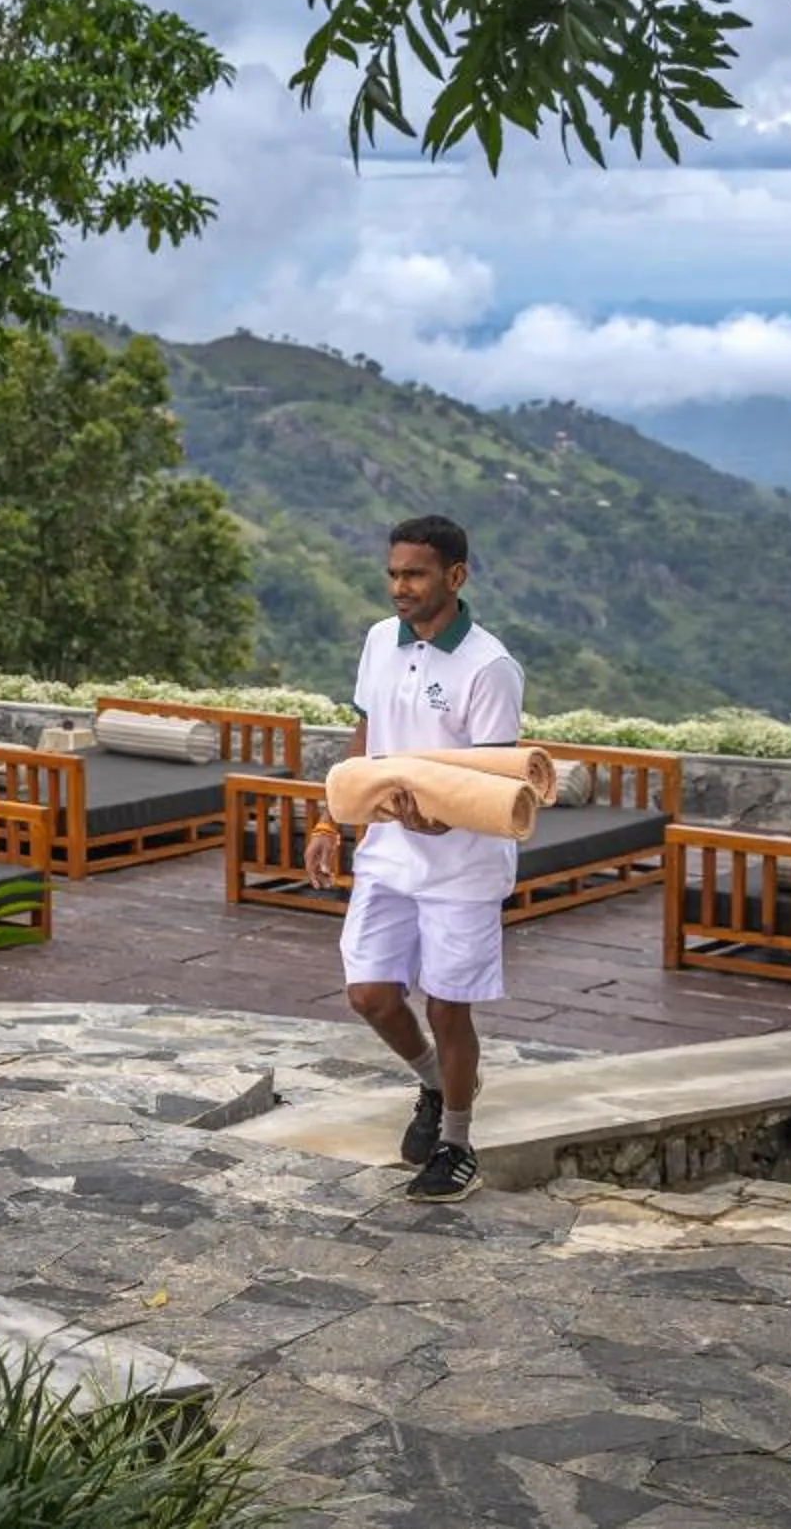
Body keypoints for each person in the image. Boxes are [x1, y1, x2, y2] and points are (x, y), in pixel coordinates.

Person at [304, 515, 525, 1203]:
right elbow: (368, 730)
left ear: (455, 577)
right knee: (369, 994)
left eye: (416, 574)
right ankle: (434, 1083)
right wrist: (330, 818)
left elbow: (492, 778)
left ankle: (457, 1142)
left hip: (462, 864)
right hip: (387, 851)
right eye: (394, 573)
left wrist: (437, 821)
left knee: (449, 1007)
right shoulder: (379, 640)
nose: (400, 586)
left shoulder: (490, 667)